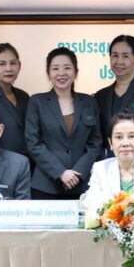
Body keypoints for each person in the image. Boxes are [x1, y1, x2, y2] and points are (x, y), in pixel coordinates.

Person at [24, 47, 102, 199]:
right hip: (46, 186)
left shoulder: (89, 102)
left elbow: (96, 143)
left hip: (82, 184)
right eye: (55, 68)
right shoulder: (37, 102)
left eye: (67, 68)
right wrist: (60, 172)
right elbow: (33, 143)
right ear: (48, 73)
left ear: (76, 72)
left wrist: (78, 172)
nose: (61, 73)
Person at [81, 111, 134, 213]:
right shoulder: (100, 169)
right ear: (110, 143)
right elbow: (91, 202)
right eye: (119, 137)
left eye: (131, 136)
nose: (125, 143)